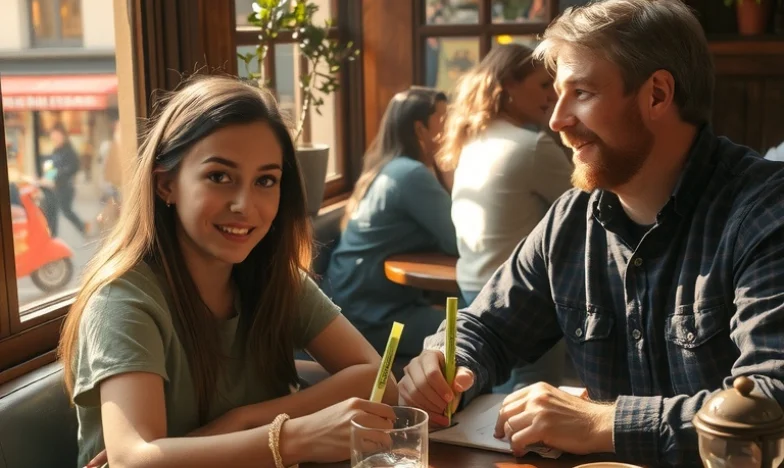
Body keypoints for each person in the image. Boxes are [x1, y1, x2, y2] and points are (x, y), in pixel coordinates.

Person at [398, 1, 784, 466]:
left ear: (657, 95)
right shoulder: (572, 220)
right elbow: (488, 329)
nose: (557, 120)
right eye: (557, 93)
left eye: (581, 92)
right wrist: (444, 362)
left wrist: (597, 422)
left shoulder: (765, 214)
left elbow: (771, 403)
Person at [58, 76, 398, 468]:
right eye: (219, 176)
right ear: (166, 184)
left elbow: (380, 380)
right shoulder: (122, 300)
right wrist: (293, 436)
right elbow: (134, 460)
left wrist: (244, 420)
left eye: (265, 180)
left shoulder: (273, 277)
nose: (244, 204)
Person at [440, 43, 573, 391]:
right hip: (521, 291)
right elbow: (591, 205)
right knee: (535, 390)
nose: (552, 96)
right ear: (509, 85)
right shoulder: (530, 146)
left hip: (473, 282)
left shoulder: (474, 141)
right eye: (544, 85)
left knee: (495, 392)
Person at [322, 87, 457, 360]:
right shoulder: (411, 174)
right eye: (444, 121)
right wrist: (450, 170)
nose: (452, 129)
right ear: (420, 129)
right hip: (372, 318)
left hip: (348, 306)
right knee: (467, 329)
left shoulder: (389, 168)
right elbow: (458, 241)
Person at [48, 123, 87, 236]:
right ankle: (52, 234)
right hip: (56, 185)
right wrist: (48, 177)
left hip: (66, 186)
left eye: (56, 135)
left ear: (62, 135)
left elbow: (74, 167)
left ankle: (82, 227)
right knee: (56, 211)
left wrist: (58, 174)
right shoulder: (55, 150)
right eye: (53, 136)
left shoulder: (68, 150)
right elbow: (52, 167)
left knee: (65, 210)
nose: (54, 138)